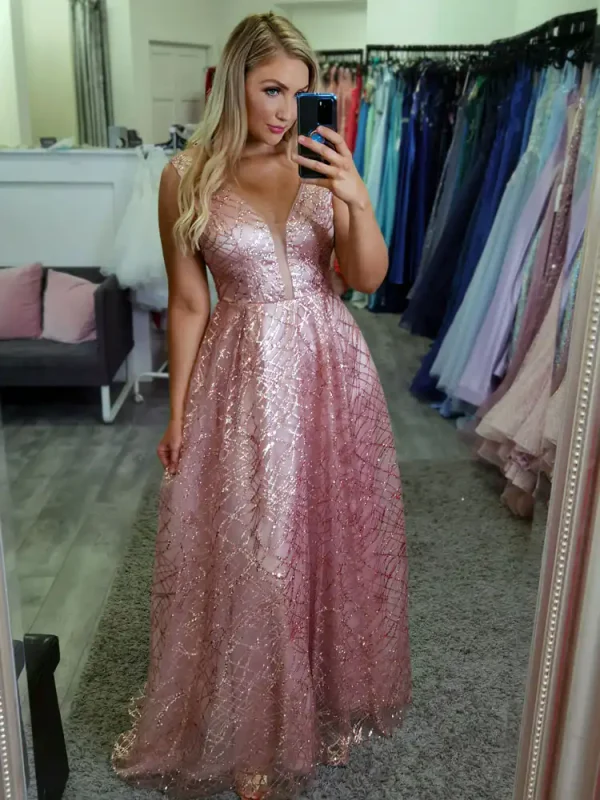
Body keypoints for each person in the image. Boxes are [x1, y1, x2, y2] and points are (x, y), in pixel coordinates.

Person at [113, 13, 411, 800]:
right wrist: (179, 412)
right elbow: (189, 303)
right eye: (271, 89)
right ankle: (253, 729)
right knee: (257, 547)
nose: (284, 110)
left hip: (330, 369)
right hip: (241, 378)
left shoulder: (322, 161)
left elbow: (366, 277)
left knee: (325, 537)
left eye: (299, 93)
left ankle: (311, 703)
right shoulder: (189, 175)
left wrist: (353, 196)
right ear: (235, 81)